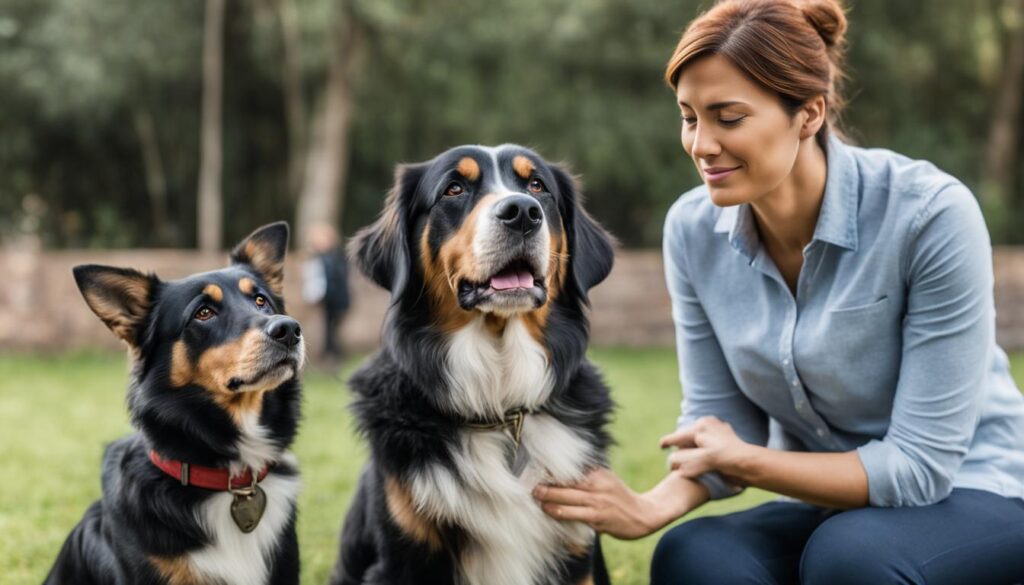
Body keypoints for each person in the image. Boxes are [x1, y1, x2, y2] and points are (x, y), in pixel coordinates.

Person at [532, 0, 1024, 582]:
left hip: (979, 488)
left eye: (728, 117)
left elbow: (919, 468)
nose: (701, 144)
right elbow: (719, 423)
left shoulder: (930, 215)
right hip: (834, 514)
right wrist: (650, 507)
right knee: (695, 556)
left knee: (852, 557)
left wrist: (744, 461)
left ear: (809, 114)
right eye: (689, 117)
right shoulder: (693, 231)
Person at [303, 222, 351, 365]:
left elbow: (330, 280)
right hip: (334, 301)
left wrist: (318, 295)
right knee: (330, 329)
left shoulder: (329, 258)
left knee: (330, 330)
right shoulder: (335, 256)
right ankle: (330, 354)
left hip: (335, 301)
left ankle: (333, 356)